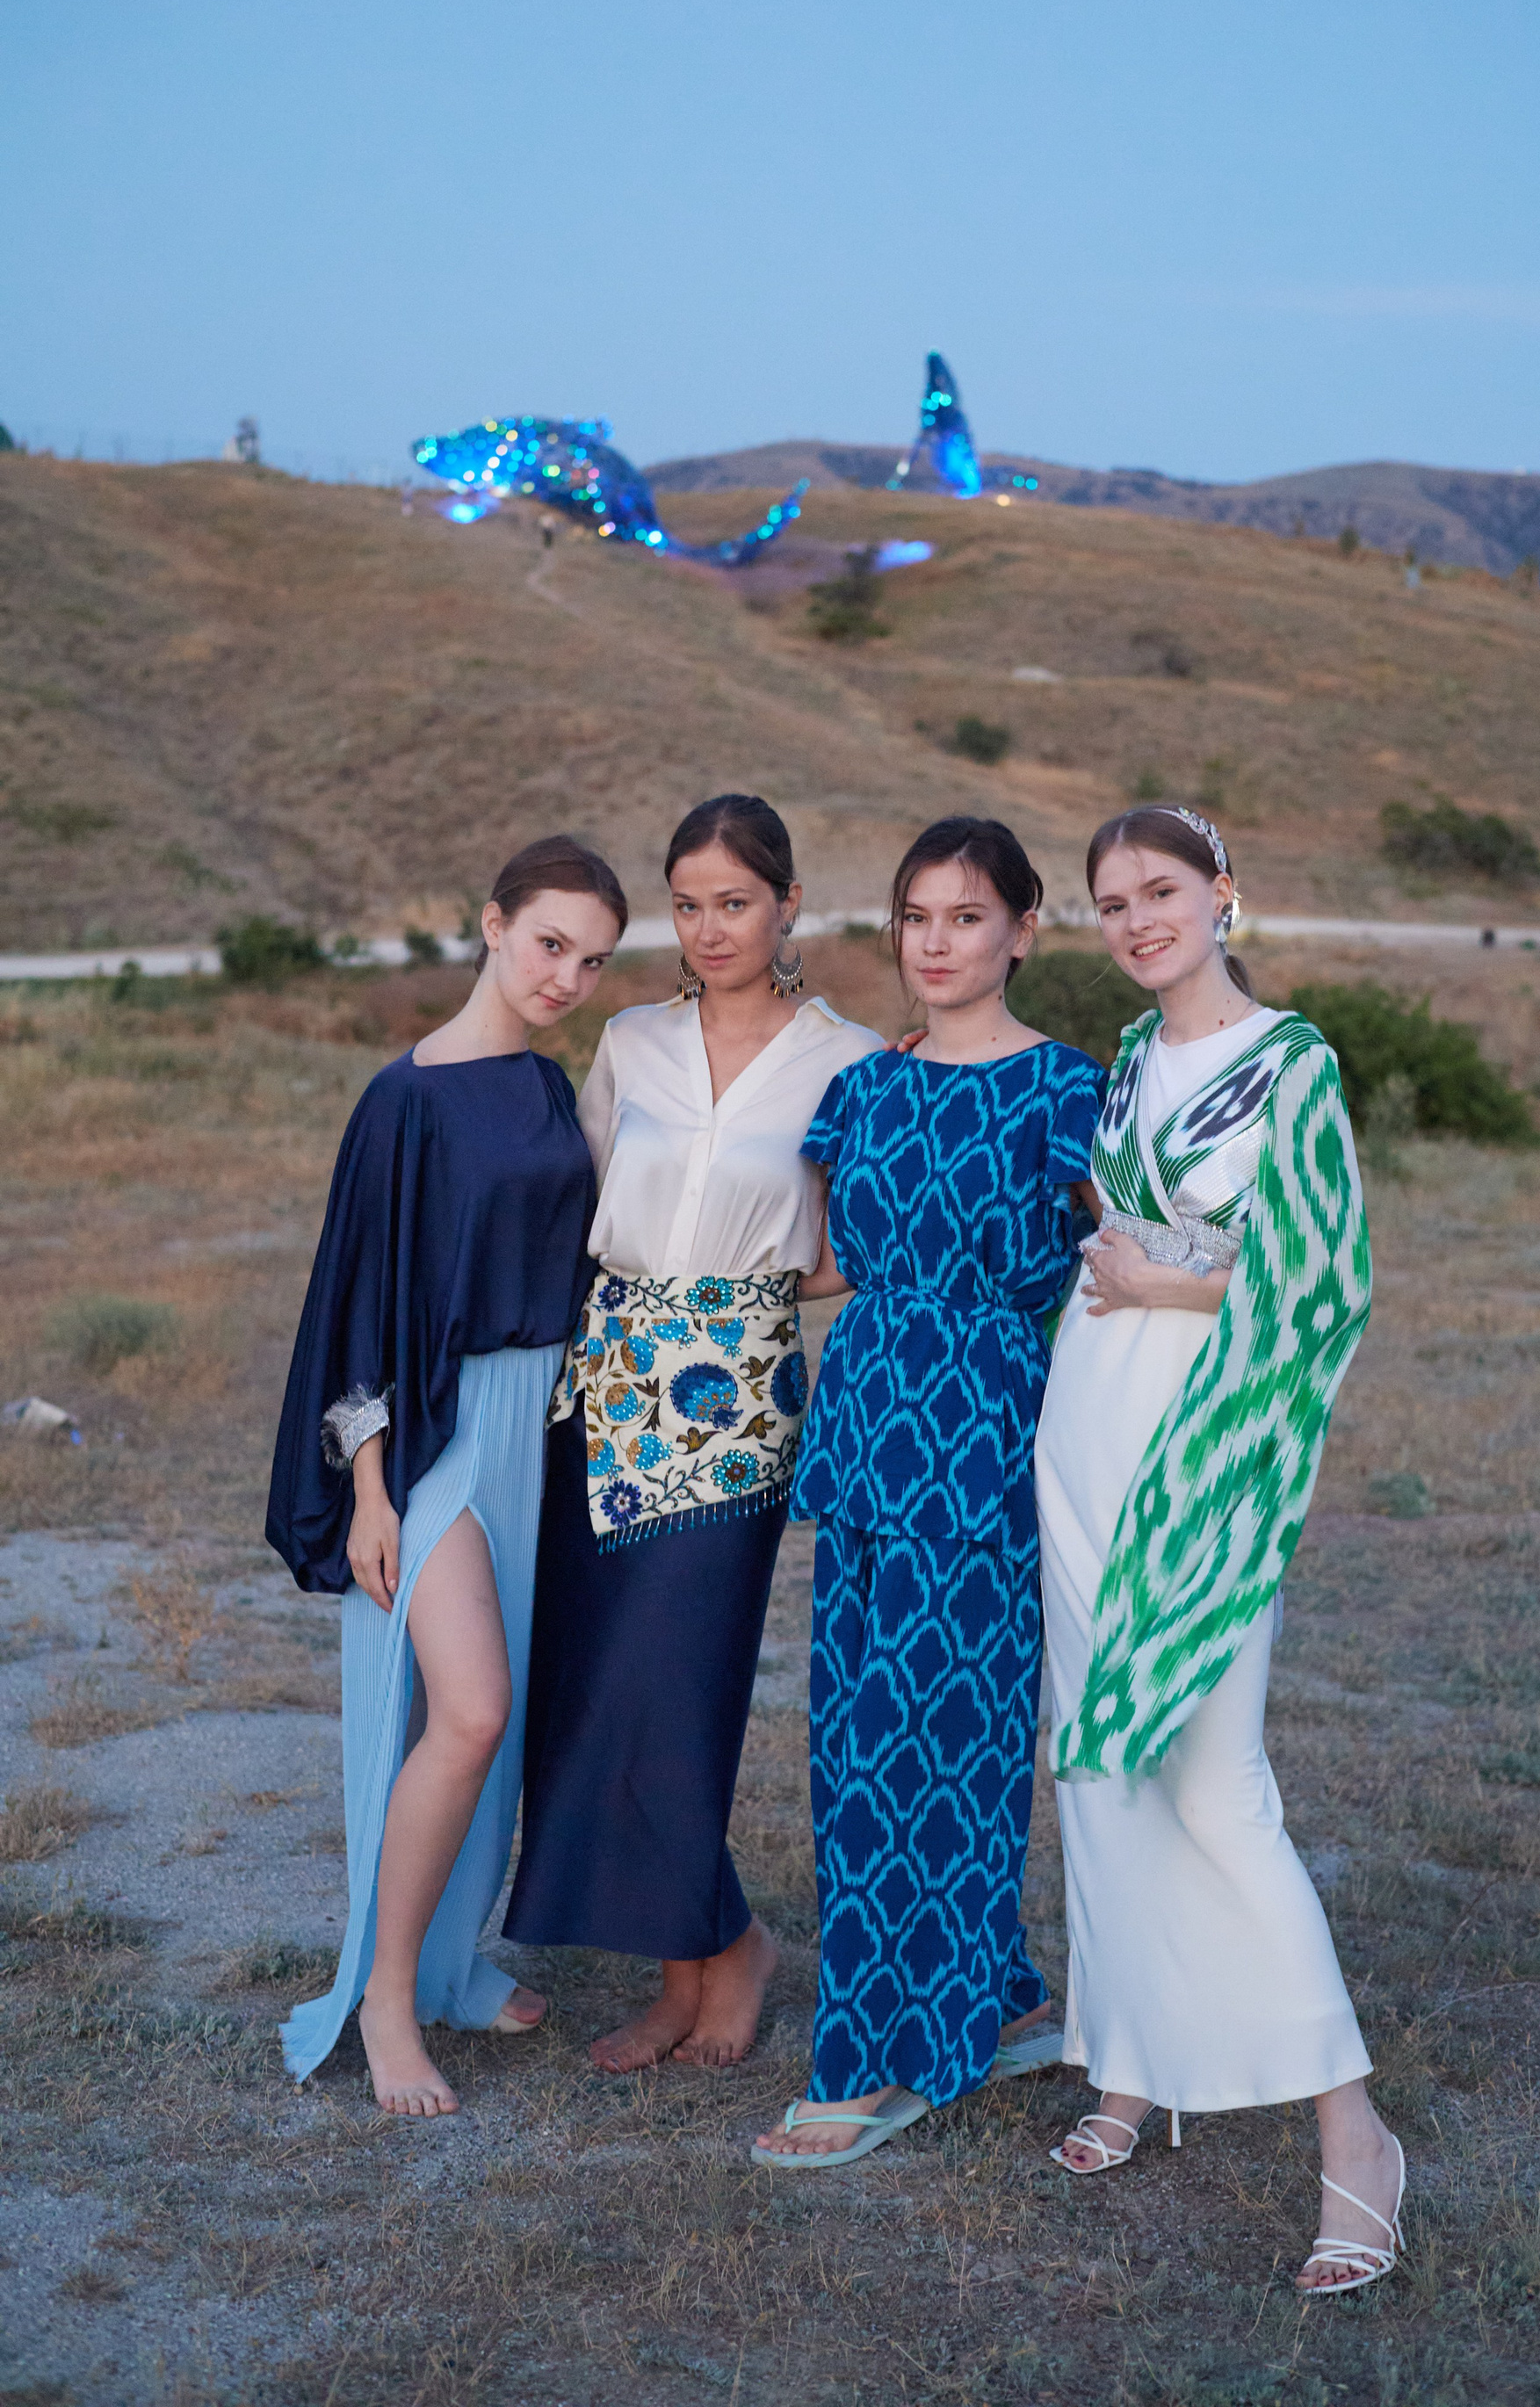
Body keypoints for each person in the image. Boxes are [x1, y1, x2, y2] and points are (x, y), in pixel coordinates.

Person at [1037, 805, 1406, 2295]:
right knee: (1099, 1767)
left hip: (1208, 1451)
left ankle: (1355, 2135)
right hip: (1084, 1428)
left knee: (1216, 1784)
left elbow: (1329, 1281)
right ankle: (1132, 2066)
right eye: (1113, 902)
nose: (1137, 921)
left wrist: (1171, 1286)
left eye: (1162, 891)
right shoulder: (1130, 1059)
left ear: (1222, 895)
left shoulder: (1291, 1064)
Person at [504, 795, 881, 2071]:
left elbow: (866, 1237)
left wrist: (755, 1291)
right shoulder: (632, 1041)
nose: (710, 928)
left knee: (678, 1688)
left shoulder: (849, 1059)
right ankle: (696, 1965)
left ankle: (728, 1946)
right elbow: (575, 1213)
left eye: (735, 902)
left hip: (738, 1403)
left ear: (786, 905)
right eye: (688, 904)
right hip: (607, 1396)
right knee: (600, 1686)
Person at [753, 816, 1104, 2167]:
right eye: (917, 918)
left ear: (1023, 931)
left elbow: (1138, 1258)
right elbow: (831, 1265)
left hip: (985, 1439)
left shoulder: (1071, 1092)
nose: (938, 943)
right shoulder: (864, 1089)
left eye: (968, 917)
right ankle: (994, 1998)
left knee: (947, 1744)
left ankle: (881, 2057)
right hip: (865, 1432)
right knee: (856, 1742)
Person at [266, 835, 625, 2117]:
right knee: (468, 1710)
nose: (566, 977)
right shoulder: (404, 1100)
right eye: (550, 944)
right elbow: (354, 1307)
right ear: (492, 924)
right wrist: (369, 1490)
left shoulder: (548, 1086)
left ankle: (454, 1964)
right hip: (438, 1435)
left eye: (593, 960)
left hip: (540, 1426)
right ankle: (384, 1994)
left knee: (498, 1722)